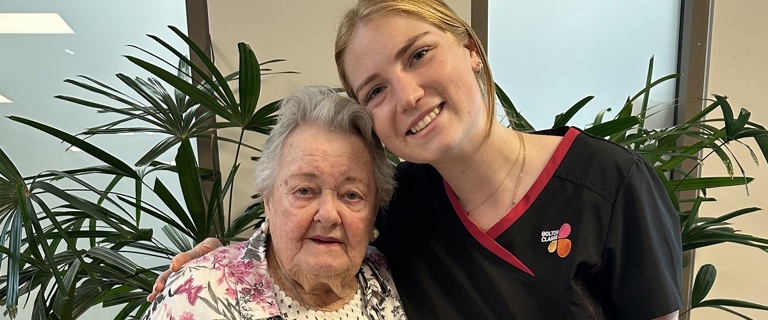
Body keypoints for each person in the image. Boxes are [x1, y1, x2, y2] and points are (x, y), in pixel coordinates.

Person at [151, 0, 683, 318]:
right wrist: (215, 266)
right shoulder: (400, 207)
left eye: (419, 54)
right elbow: (313, 227)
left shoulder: (609, 185)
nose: (406, 96)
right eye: (376, 90)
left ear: (472, 48)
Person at [143, 86, 406, 319]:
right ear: (267, 200)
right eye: (304, 190)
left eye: (351, 195)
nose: (328, 215)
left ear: (373, 210)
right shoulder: (198, 295)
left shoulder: (390, 277)